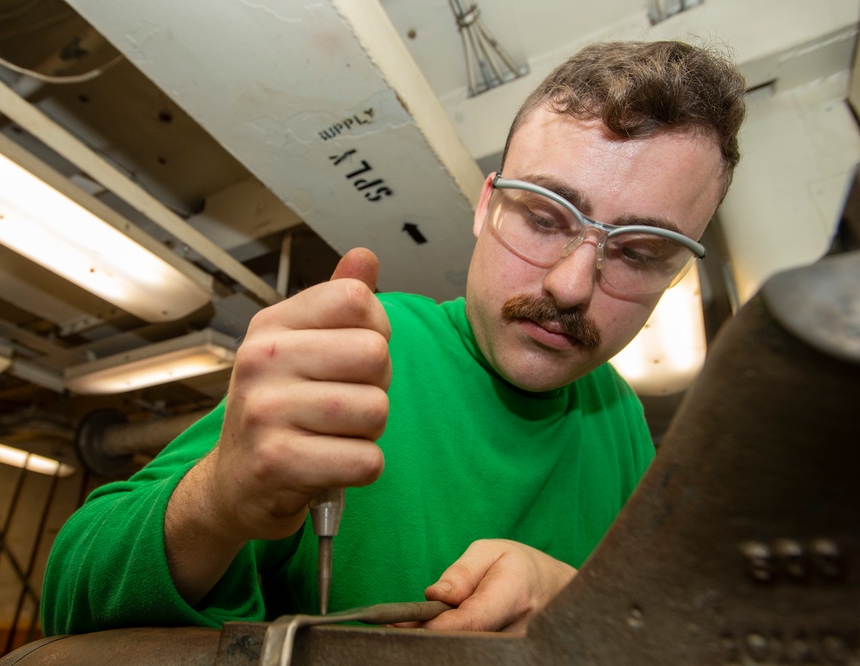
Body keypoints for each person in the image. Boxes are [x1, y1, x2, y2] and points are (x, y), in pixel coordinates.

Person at [41, 39, 746, 636]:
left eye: (641, 250)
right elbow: (68, 599)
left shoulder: (619, 419)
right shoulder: (371, 352)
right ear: (486, 207)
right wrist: (221, 499)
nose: (570, 286)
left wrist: (571, 599)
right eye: (545, 215)